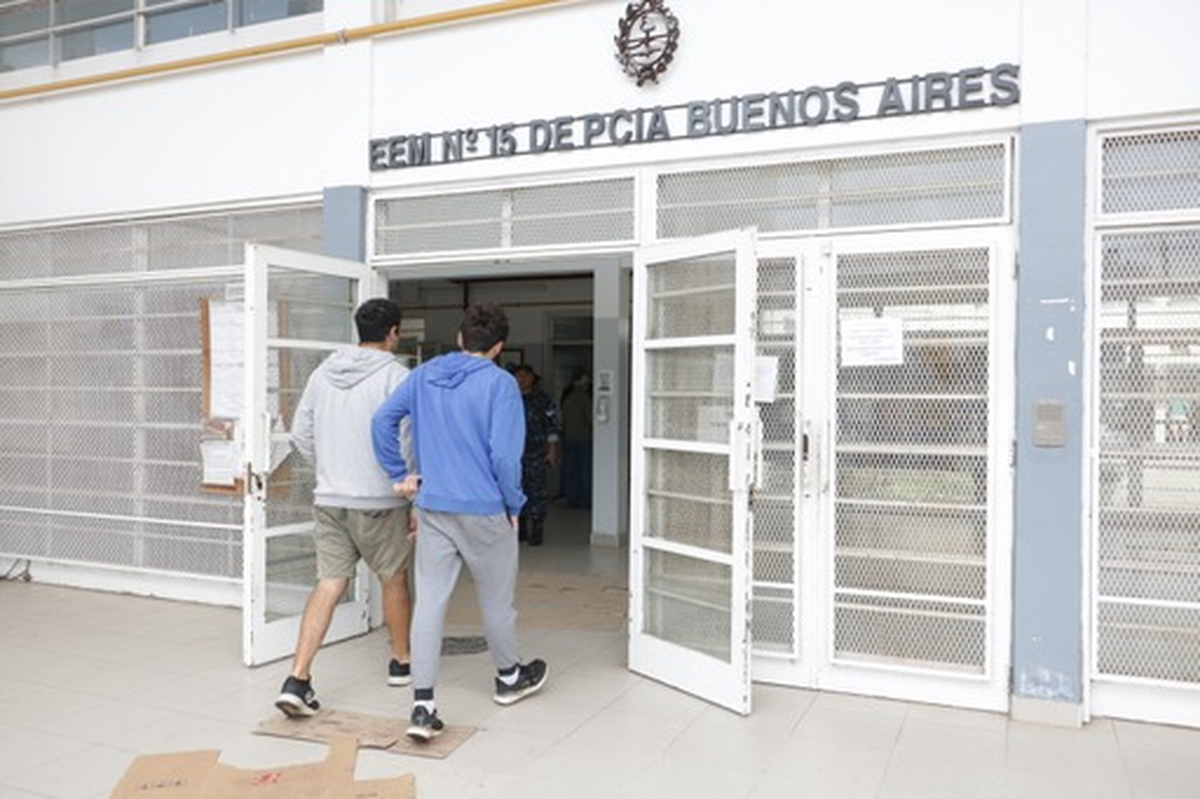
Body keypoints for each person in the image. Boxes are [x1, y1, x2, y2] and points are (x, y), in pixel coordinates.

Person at [371, 303, 548, 742]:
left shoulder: (424, 375)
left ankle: (423, 705)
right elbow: (505, 456)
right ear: (500, 346)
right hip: (485, 509)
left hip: (433, 508)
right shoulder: (501, 384)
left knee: (430, 602)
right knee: (495, 600)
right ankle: (508, 677)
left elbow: (382, 420)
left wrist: (399, 474)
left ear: (459, 337)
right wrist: (514, 503)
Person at [275, 298, 416, 718]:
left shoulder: (323, 372)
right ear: (393, 332)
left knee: (330, 582)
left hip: (330, 497)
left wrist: (330, 467)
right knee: (393, 577)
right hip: (379, 498)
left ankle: (297, 678)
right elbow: (407, 437)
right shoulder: (396, 376)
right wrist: (407, 487)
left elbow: (300, 430)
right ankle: (401, 662)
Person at [513, 364, 560, 546]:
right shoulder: (509, 398)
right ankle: (521, 527)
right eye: (518, 375)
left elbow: (552, 427)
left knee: (536, 491)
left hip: (535, 452)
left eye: (525, 375)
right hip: (514, 453)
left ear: (533, 377)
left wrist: (552, 450)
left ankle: (537, 528)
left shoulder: (542, 399)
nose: (521, 379)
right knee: (516, 489)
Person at [559, 370, 593, 508]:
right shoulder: (584, 397)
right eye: (585, 382)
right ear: (577, 381)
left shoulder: (567, 397)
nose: (587, 385)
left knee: (570, 469)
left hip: (568, 437)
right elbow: (590, 418)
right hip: (584, 437)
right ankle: (586, 499)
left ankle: (571, 498)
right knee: (585, 469)